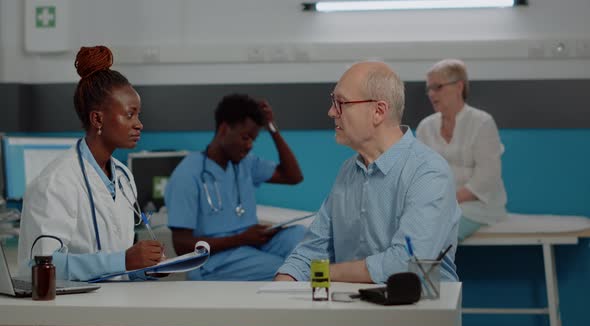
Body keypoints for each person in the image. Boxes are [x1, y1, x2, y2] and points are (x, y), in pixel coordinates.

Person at [275, 61, 460, 284]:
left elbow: (408, 263)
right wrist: (281, 288)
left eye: (341, 102)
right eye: (333, 102)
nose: (332, 111)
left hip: (417, 311)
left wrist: (325, 273)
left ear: (378, 111)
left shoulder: (428, 172)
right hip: (355, 308)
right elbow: (312, 251)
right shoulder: (348, 171)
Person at [17, 45, 165, 281]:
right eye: (130, 114)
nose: (139, 124)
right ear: (97, 118)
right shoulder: (57, 182)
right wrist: (124, 260)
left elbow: (119, 269)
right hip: (72, 313)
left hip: (118, 308)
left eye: (138, 115)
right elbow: (39, 266)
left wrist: (144, 269)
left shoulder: (123, 177)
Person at [165, 93, 305, 281]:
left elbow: (293, 176)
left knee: (301, 237)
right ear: (224, 129)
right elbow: (181, 245)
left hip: (251, 244)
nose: (249, 146)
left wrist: (272, 127)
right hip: (215, 261)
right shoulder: (188, 174)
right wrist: (241, 239)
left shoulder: (245, 163)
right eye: (245, 137)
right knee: (285, 270)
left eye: (253, 140)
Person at [416, 59, 508, 241]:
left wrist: (444, 201)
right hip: (437, 206)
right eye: (429, 89)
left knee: (433, 233)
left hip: (478, 207)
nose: (431, 94)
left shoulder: (482, 123)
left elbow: (486, 179)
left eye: (438, 87)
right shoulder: (425, 127)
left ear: (459, 86)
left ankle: (419, 268)